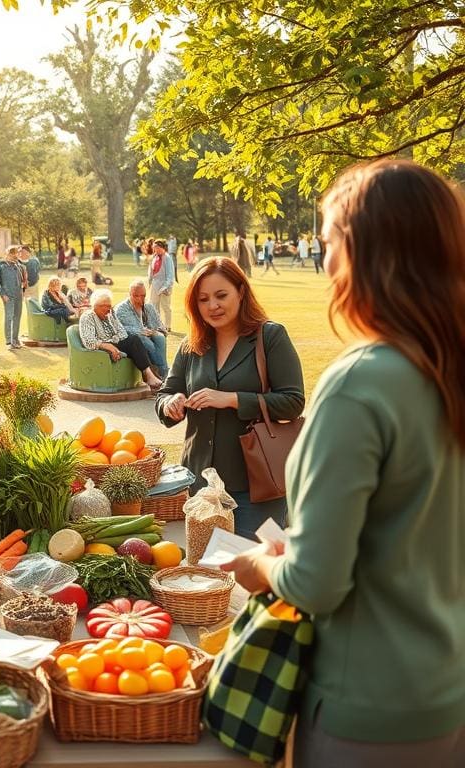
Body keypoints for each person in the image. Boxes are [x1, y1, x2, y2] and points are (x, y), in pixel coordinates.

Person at [222, 160, 465, 767]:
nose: (325, 265)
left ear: (361, 254)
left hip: (371, 708)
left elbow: (316, 582)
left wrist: (257, 565)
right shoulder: (445, 368)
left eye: (329, 244)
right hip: (447, 690)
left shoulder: (363, 383)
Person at [155, 257, 305, 537]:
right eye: (203, 299)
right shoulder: (192, 345)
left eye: (221, 295)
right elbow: (164, 394)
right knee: (206, 574)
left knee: (253, 572)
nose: (213, 305)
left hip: (258, 485)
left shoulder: (269, 336)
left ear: (241, 292)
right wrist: (171, 403)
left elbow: (293, 402)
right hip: (202, 486)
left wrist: (232, 399)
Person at [78, 289, 159, 390]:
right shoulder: (88, 317)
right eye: (105, 306)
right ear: (96, 305)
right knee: (134, 342)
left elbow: (122, 332)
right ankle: (150, 376)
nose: (109, 309)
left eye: (110, 306)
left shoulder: (110, 313)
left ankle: (149, 375)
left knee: (134, 339)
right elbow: (88, 341)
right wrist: (107, 345)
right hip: (100, 347)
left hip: (114, 342)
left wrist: (113, 341)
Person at [115, 278, 169, 382]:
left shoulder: (148, 307)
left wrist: (154, 332)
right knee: (144, 340)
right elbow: (125, 330)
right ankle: (164, 372)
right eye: (136, 296)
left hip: (148, 336)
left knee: (160, 338)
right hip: (132, 340)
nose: (140, 299)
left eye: (143, 295)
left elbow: (160, 327)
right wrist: (143, 331)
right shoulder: (122, 309)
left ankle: (161, 372)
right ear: (129, 294)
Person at [0, 245, 26, 349]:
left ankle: (15, 339)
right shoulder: (1, 265)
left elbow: (22, 279)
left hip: (18, 295)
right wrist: (2, 294)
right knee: (9, 317)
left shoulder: (18, 265)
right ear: (7, 254)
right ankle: (9, 341)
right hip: (8, 295)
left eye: (16, 253)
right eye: (12, 253)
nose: (15, 255)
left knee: (17, 317)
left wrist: (23, 288)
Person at [148, 239, 175, 331]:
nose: (156, 250)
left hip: (164, 286)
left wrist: (166, 287)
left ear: (163, 248)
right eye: (155, 248)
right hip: (155, 284)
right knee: (154, 306)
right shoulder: (154, 257)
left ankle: (168, 326)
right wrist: (150, 281)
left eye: (158, 248)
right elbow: (151, 271)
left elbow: (170, 275)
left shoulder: (167, 258)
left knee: (165, 306)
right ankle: (157, 325)